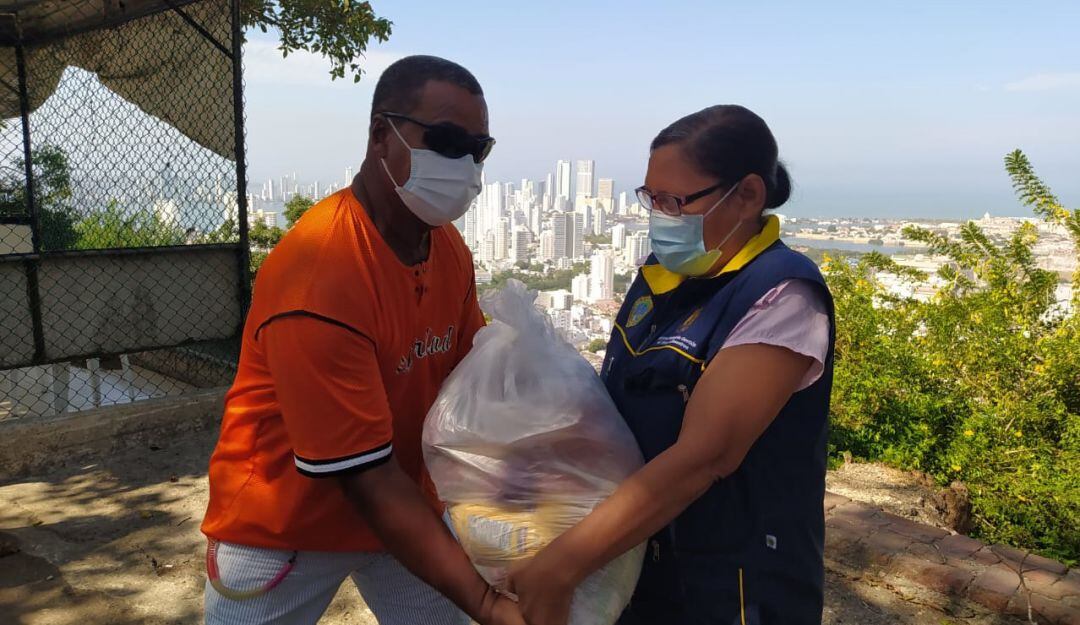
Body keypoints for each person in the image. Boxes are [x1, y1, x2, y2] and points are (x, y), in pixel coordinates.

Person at [201, 55, 523, 625]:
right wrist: (486, 602)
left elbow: (474, 379)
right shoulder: (322, 272)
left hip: (402, 510)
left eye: (478, 150)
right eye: (447, 141)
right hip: (286, 526)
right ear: (381, 135)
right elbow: (361, 475)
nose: (466, 165)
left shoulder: (447, 249)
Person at [510, 105, 835, 625]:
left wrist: (561, 566)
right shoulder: (663, 277)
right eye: (651, 198)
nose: (659, 215)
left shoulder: (783, 297)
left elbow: (705, 458)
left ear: (748, 194)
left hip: (732, 585)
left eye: (674, 201)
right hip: (638, 560)